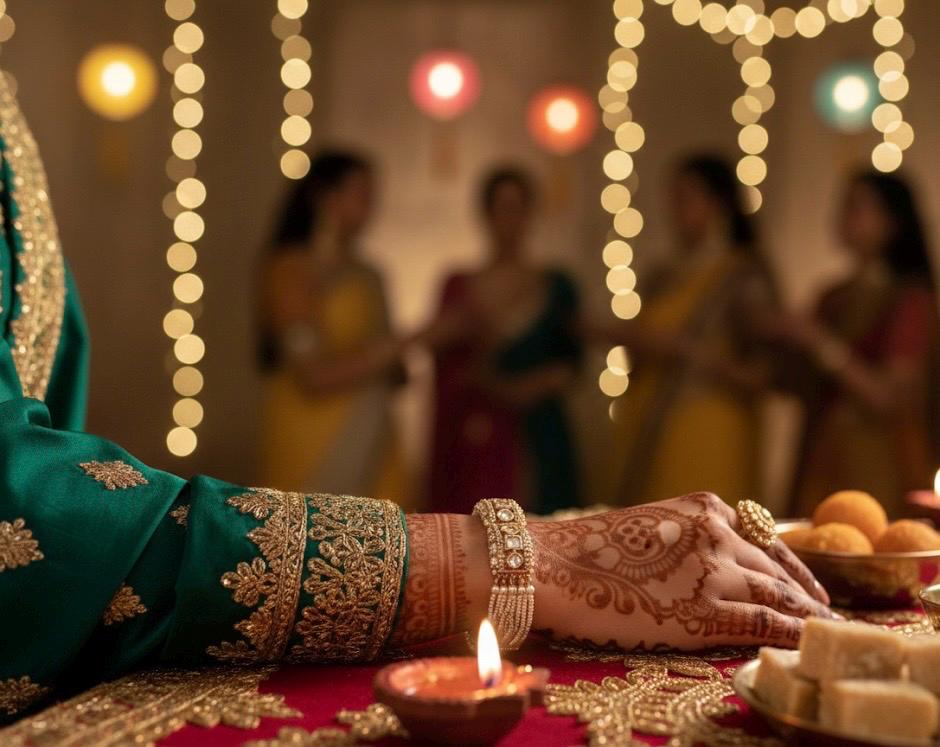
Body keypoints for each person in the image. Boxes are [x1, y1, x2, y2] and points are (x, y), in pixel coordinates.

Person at [0, 77, 832, 723]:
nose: (369, 206)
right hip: (329, 428)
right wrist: (528, 557)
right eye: (359, 192)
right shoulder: (315, 271)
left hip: (484, 429)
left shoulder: (391, 273)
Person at [603, 155, 780, 506]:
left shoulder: (743, 274)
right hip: (652, 420)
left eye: (685, 197)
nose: (674, 209)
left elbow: (763, 371)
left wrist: (688, 351)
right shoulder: (662, 274)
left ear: (718, 203)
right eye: (672, 197)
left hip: (711, 425)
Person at [769, 171, 938, 516]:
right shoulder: (833, 296)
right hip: (820, 458)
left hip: (878, 463)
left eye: (857, 206)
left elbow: (888, 397)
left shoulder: (910, 300)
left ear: (892, 222)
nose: (843, 215)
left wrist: (819, 342)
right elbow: (793, 385)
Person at [424, 167, 582, 515]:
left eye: (518, 208)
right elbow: (446, 366)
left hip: (539, 434)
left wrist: (524, 388)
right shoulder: (459, 285)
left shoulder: (556, 285)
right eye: (501, 208)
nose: (510, 219)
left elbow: (570, 365)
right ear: (485, 214)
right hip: (477, 440)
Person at [258, 151, 409, 506]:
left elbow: (398, 372)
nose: (371, 207)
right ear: (325, 197)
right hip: (314, 434)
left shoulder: (371, 274)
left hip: (373, 432)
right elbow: (312, 375)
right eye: (362, 194)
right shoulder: (291, 269)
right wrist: (420, 338)